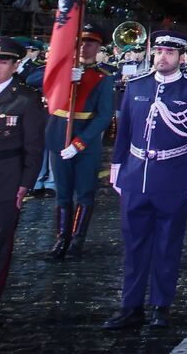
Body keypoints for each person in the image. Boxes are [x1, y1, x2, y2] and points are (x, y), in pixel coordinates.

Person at [103, 32, 187, 330]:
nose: (162, 57)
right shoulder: (137, 85)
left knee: (167, 245)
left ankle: (161, 305)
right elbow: (124, 129)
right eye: (159, 51)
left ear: (180, 57)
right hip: (136, 175)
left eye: (169, 52)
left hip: (173, 175)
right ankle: (130, 305)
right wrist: (117, 166)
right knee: (134, 246)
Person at [0, 37, 45, 327]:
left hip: (3, 182)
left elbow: (34, 147)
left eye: (2, 61)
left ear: (15, 65)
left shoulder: (25, 99)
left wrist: (24, 185)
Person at [45, 25, 115, 260]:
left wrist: (80, 142)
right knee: (62, 193)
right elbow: (34, 79)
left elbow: (105, 115)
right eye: (82, 42)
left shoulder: (104, 78)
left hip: (86, 140)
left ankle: (77, 240)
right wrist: (64, 75)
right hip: (59, 137)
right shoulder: (60, 71)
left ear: (98, 48)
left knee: (85, 193)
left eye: (91, 43)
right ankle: (61, 238)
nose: (85, 47)